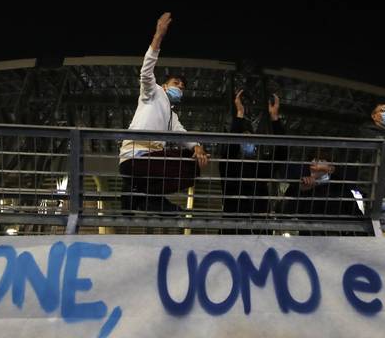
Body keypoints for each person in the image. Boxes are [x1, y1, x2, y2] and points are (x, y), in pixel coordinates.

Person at [119, 12, 209, 213]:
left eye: (183, 87)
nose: (180, 88)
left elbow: (182, 134)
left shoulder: (172, 116)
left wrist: (197, 147)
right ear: (165, 86)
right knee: (186, 163)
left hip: (151, 162)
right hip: (135, 158)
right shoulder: (154, 92)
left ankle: (142, 198)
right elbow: (146, 72)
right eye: (176, 83)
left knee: (192, 168)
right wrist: (158, 36)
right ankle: (143, 197)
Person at [217, 90, 286, 232]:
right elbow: (230, 148)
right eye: (244, 139)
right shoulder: (229, 166)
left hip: (259, 228)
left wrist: (275, 118)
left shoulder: (261, 168)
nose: (248, 142)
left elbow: (281, 153)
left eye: (251, 140)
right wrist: (239, 114)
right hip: (233, 228)